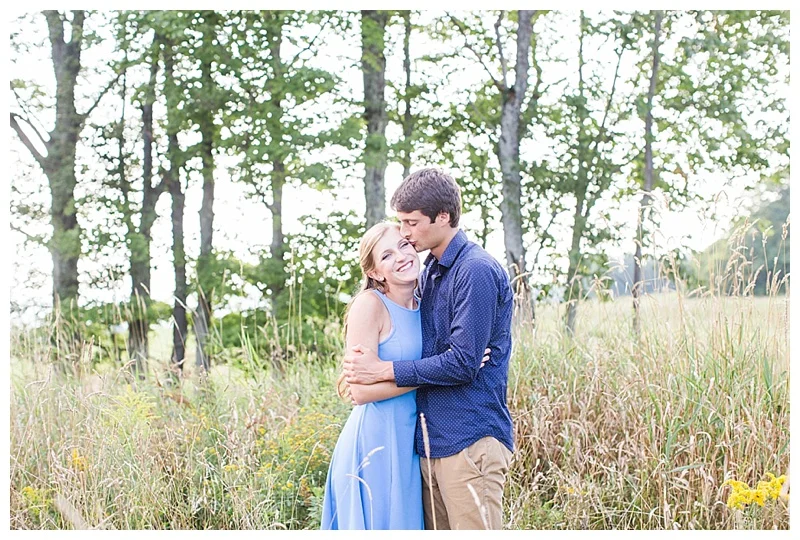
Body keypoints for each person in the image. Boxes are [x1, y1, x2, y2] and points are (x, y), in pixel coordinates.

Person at [343, 168, 515, 530]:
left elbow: (462, 363)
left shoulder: (475, 270)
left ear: (443, 217)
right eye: (401, 223)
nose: (405, 232)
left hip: (469, 440)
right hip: (427, 445)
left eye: (411, 223)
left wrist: (384, 370)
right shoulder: (432, 273)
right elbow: (442, 357)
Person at [321, 221, 425, 530]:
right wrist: (435, 374)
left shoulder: (426, 305)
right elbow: (360, 392)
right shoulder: (369, 305)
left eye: (403, 246)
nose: (401, 257)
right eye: (387, 255)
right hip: (374, 440)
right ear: (375, 272)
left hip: (410, 443)